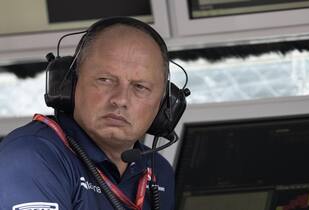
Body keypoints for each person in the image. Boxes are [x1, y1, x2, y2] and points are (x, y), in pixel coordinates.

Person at [0, 17, 186, 210]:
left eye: (140, 87)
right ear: (69, 84)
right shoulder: (32, 156)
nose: (120, 99)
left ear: (165, 103)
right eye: (104, 79)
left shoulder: (157, 172)